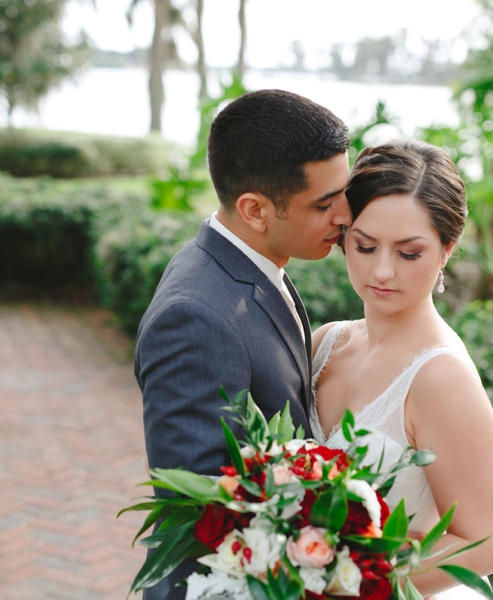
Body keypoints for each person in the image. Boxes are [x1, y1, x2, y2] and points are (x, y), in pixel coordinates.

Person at [134, 89, 351, 600]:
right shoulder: (193, 316)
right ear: (255, 209)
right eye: (324, 203)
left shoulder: (252, 264)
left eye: (345, 192)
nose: (345, 215)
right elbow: (206, 511)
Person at [310, 139, 493, 598]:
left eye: (408, 253)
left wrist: (344, 583)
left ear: (447, 250)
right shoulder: (325, 343)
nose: (381, 271)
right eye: (364, 245)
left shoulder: (441, 378)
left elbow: (481, 546)